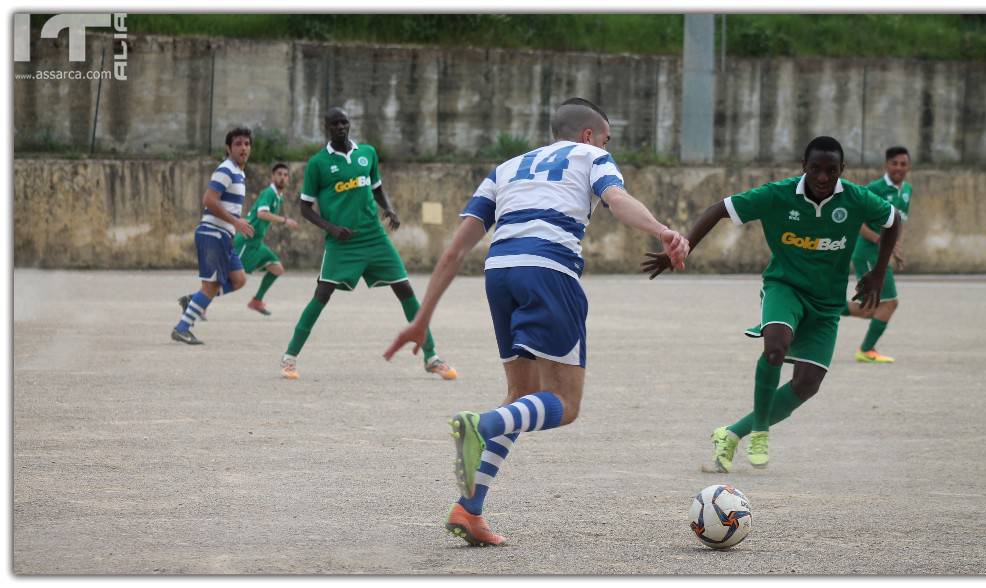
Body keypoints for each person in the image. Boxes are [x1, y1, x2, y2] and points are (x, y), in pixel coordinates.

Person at [384, 98, 688, 546]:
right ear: (589, 136)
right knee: (564, 404)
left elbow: (454, 250)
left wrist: (421, 320)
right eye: (607, 138)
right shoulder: (591, 157)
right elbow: (617, 199)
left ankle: (469, 510)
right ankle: (479, 425)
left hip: (499, 272)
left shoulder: (505, 168)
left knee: (521, 397)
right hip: (548, 271)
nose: (608, 146)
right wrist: (663, 230)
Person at [643, 136, 900, 473]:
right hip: (784, 286)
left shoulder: (854, 198)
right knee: (776, 347)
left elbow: (893, 220)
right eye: (816, 169)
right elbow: (719, 209)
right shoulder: (778, 195)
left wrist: (879, 273)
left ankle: (732, 434)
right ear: (803, 167)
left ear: (842, 171)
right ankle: (762, 430)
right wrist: (684, 246)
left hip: (826, 301)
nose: (823, 178)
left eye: (831, 171)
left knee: (807, 384)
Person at [280, 107, 457, 381]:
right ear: (326, 126)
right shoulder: (318, 164)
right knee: (322, 294)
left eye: (345, 122)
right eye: (335, 123)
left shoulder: (367, 154)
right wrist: (331, 228)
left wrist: (388, 208)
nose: (341, 127)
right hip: (343, 242)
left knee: (405, 288)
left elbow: (375, 187)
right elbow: (304, 207)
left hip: (374, 237)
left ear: (350, 125)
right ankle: (289, 357)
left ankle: (431, 356)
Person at [172, 127, 255, 345]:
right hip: (213, 234)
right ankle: (182, 328)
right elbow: (209, 200)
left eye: (246, 143)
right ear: (228, 148)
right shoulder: (226, 169)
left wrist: (235, 223)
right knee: (210, 286)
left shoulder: (239, 172)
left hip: (224, 236)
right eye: (238, 144)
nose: (243, 148)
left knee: (238, 280)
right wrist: (236, 221)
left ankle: (193, 301)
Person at [841, 146, 913, 363]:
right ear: (886, 165)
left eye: (903, 164)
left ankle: (819, 307)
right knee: (889, 303)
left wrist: (895, 247)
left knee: (868, 309)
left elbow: (897, 222)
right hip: (867, 252)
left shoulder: (907, 190)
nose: (899, 168)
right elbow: (857, 222)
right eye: (895, 163)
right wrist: (882, 241)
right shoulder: (875, 188)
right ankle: (866, 349)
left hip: (880, 253)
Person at [232, 162, 300, 316]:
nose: (282, 177)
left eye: (285, 175)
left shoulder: (278, 196)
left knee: (277, 268)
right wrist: (285, 220)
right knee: (233, 280)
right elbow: (261, 214)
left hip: (257, 243)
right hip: (247, 242)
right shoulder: (269, 193)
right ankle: (197, 301)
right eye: (279, 174)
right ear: (272, 177)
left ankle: (257, 301)